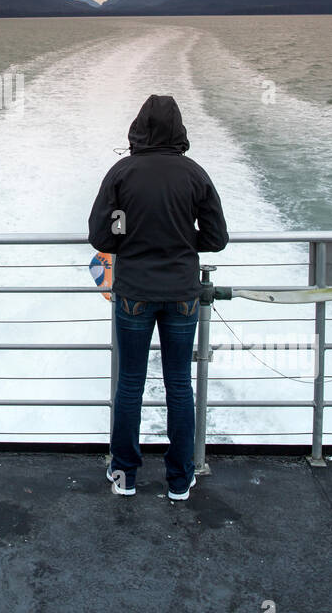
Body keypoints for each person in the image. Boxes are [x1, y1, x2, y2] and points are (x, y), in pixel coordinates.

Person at [87, 94, 228, 501]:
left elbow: (100, 237)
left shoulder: (122, 173)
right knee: (180, 385)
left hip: (134, 292)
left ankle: (125, 474)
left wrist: (129, 239)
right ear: (179, 130)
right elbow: (217, 239)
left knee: (130, 384)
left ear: (139, 128)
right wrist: (184, 241)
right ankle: (180, 479)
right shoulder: (194, 175)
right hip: (182, 293)